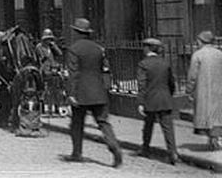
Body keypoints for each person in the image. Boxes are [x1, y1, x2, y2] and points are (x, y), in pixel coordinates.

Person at [64, 18, 122, 168]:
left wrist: (71, 93)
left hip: (81, 93)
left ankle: (77, 153)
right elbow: (106, 70)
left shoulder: (74, 49)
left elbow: (73, 73)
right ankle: (114, 147)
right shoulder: (99, 49)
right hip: (99, 92)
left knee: (77, 124)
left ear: (76, 33)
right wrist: (106, 88)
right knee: (103, 122)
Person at [136, 38, 178, 164]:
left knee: (148, 126)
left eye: (144, 46)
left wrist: (140, 102)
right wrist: (168, 94)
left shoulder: (143, 64)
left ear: (148, 48)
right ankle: (173, 152)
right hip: (165, 99)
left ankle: (145, 149)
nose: (143, 49)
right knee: (168, 128)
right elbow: (171, 82)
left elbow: (142, 85)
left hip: (150, 100)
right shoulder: (165, 63)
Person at [186, 30, 222, 151]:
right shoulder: (219, 54)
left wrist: (189, 90)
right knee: (217, 114)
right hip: (218, 90)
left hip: (203, 90)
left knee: (206, 115)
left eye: (198, 41)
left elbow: (192, 76)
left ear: (201, 41)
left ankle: (211, 138)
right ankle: (214, 138)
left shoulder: (198, 55)